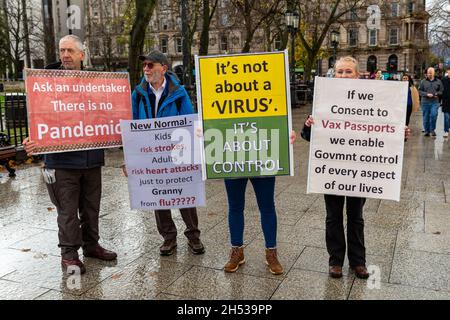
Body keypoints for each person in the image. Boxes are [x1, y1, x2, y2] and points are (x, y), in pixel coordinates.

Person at [22, 35, 117, 275]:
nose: (65, 55)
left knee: (91, 208)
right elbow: (37, 117)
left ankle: (92, 245)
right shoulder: (45, 83)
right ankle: (69, 256)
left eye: (70, 51)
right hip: (61, 161)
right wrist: (32, 140)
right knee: (67, 211)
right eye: (62, 50)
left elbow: (107, 113)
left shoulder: (96, 82)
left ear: (81, 55)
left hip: (91, 158)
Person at [123, 49, 205, 256]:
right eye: (144, 66)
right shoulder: (139, 94)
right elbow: (131, 125)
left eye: (150, 65)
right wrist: (130, 158)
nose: (146, 69)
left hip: (177, 152)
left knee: (184, 194)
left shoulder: (179, 93)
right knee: (157, 196)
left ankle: (193, 235)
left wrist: (192, 152)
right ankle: (168, 237)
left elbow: (188, 121)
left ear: (164, 68)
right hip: (150, 153)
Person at [222, 134, 296, 276]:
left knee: (267, 207)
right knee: (235, 207)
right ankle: (237, 250)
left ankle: (271, 252)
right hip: (233, 154)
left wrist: (285, 128)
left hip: (262, 153)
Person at [419, 67, 444, 137]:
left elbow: (441, 91)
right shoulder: (423, 81)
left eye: (431, 73)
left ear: (433, 73)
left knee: (433, 115)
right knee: (426, 117)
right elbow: (420, 91)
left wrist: (436, 94)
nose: (429, 74)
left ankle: (432, 130)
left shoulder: (438, 81)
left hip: (435, 102)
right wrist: (426, 94)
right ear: (427, 73)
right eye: (428, 73)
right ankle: (427, 131)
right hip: (425, 102)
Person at [441, 67, 450, 138]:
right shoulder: (444, 80)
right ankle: (446, 131)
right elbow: (440, 90)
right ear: (447, 71)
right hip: (446, 102)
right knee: (446, 117)